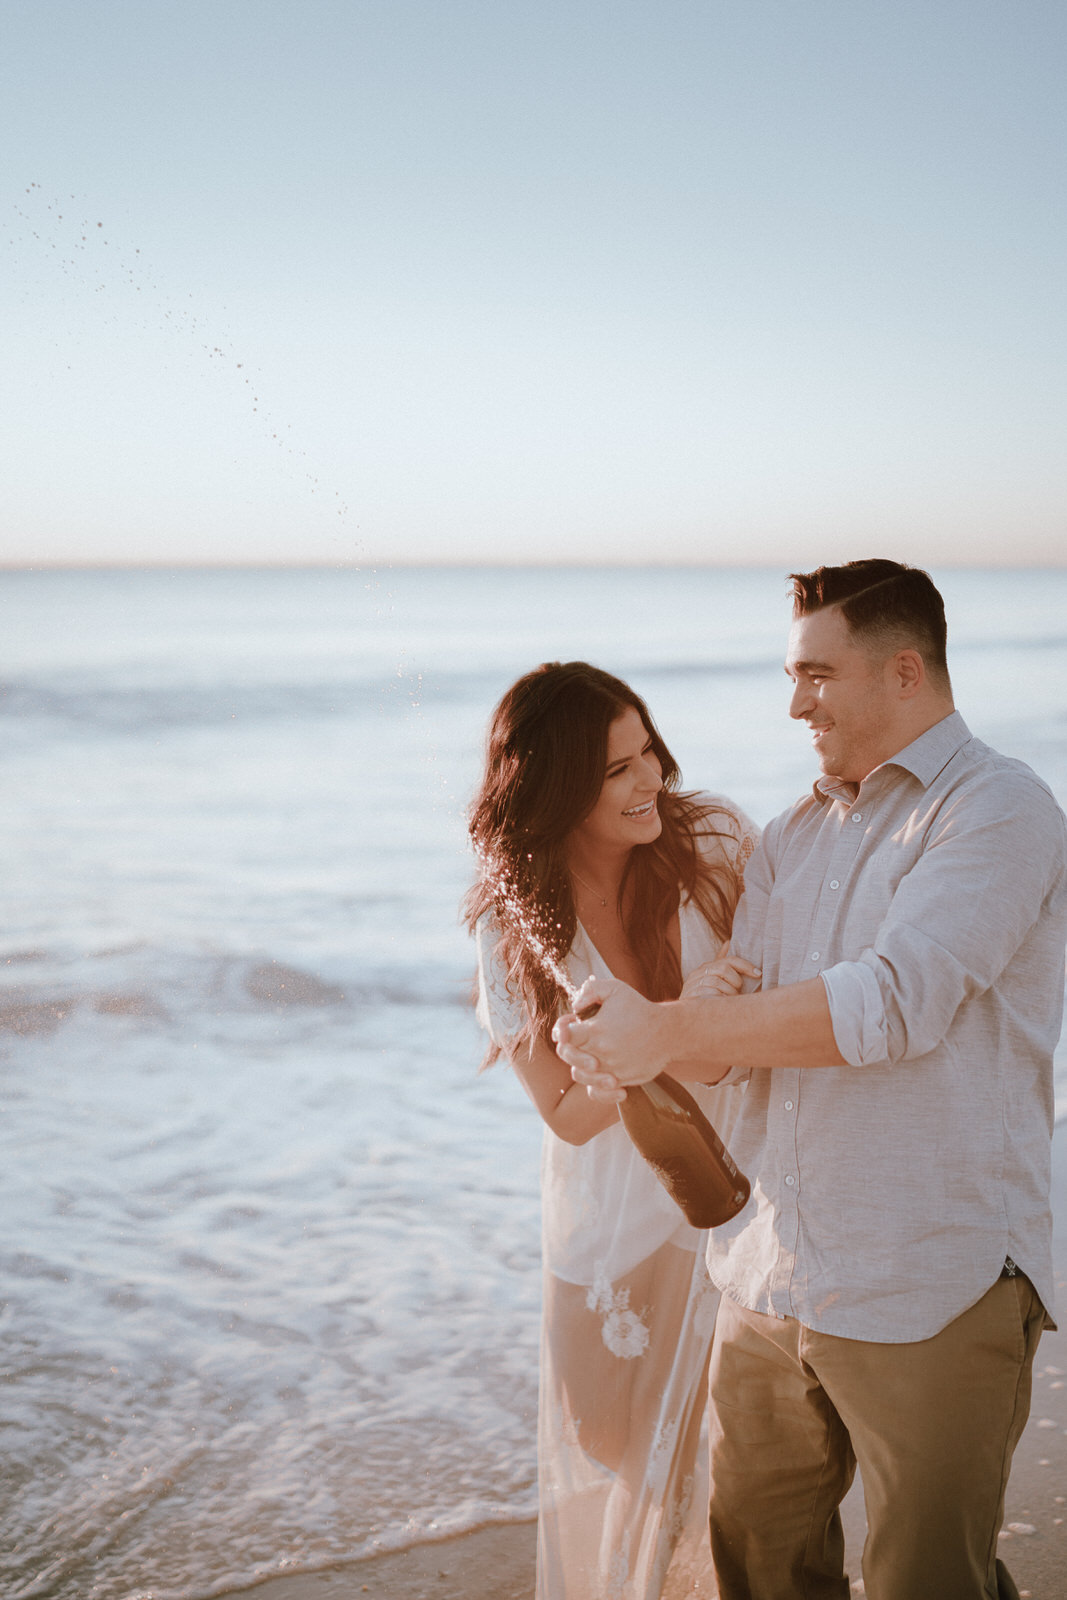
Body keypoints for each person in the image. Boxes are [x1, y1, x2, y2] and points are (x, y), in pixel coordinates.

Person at [555, 562, 1067, 1600]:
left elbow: (887, 1004)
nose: (793, 703)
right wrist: (625, 1040)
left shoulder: (997, 808)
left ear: (904, 671)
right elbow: (722, 1050)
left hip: (929, 1276)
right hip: (764, 1278)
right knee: (760, 1571)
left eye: (815, 675)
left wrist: (675, 1026)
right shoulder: (789, 835)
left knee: (928, 1580)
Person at [465, 660, 758, 1600]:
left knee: (731, 1458)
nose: (650, 785)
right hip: (603, 1209)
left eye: (648, 754)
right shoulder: (512, 921)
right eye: (616, 770)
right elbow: (564, 1111)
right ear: (552, 789)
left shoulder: (712, 843)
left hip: (728, 1190)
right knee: (603, 1437)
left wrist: (667, 1033)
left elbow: (750, 1032)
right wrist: (662, 1033)